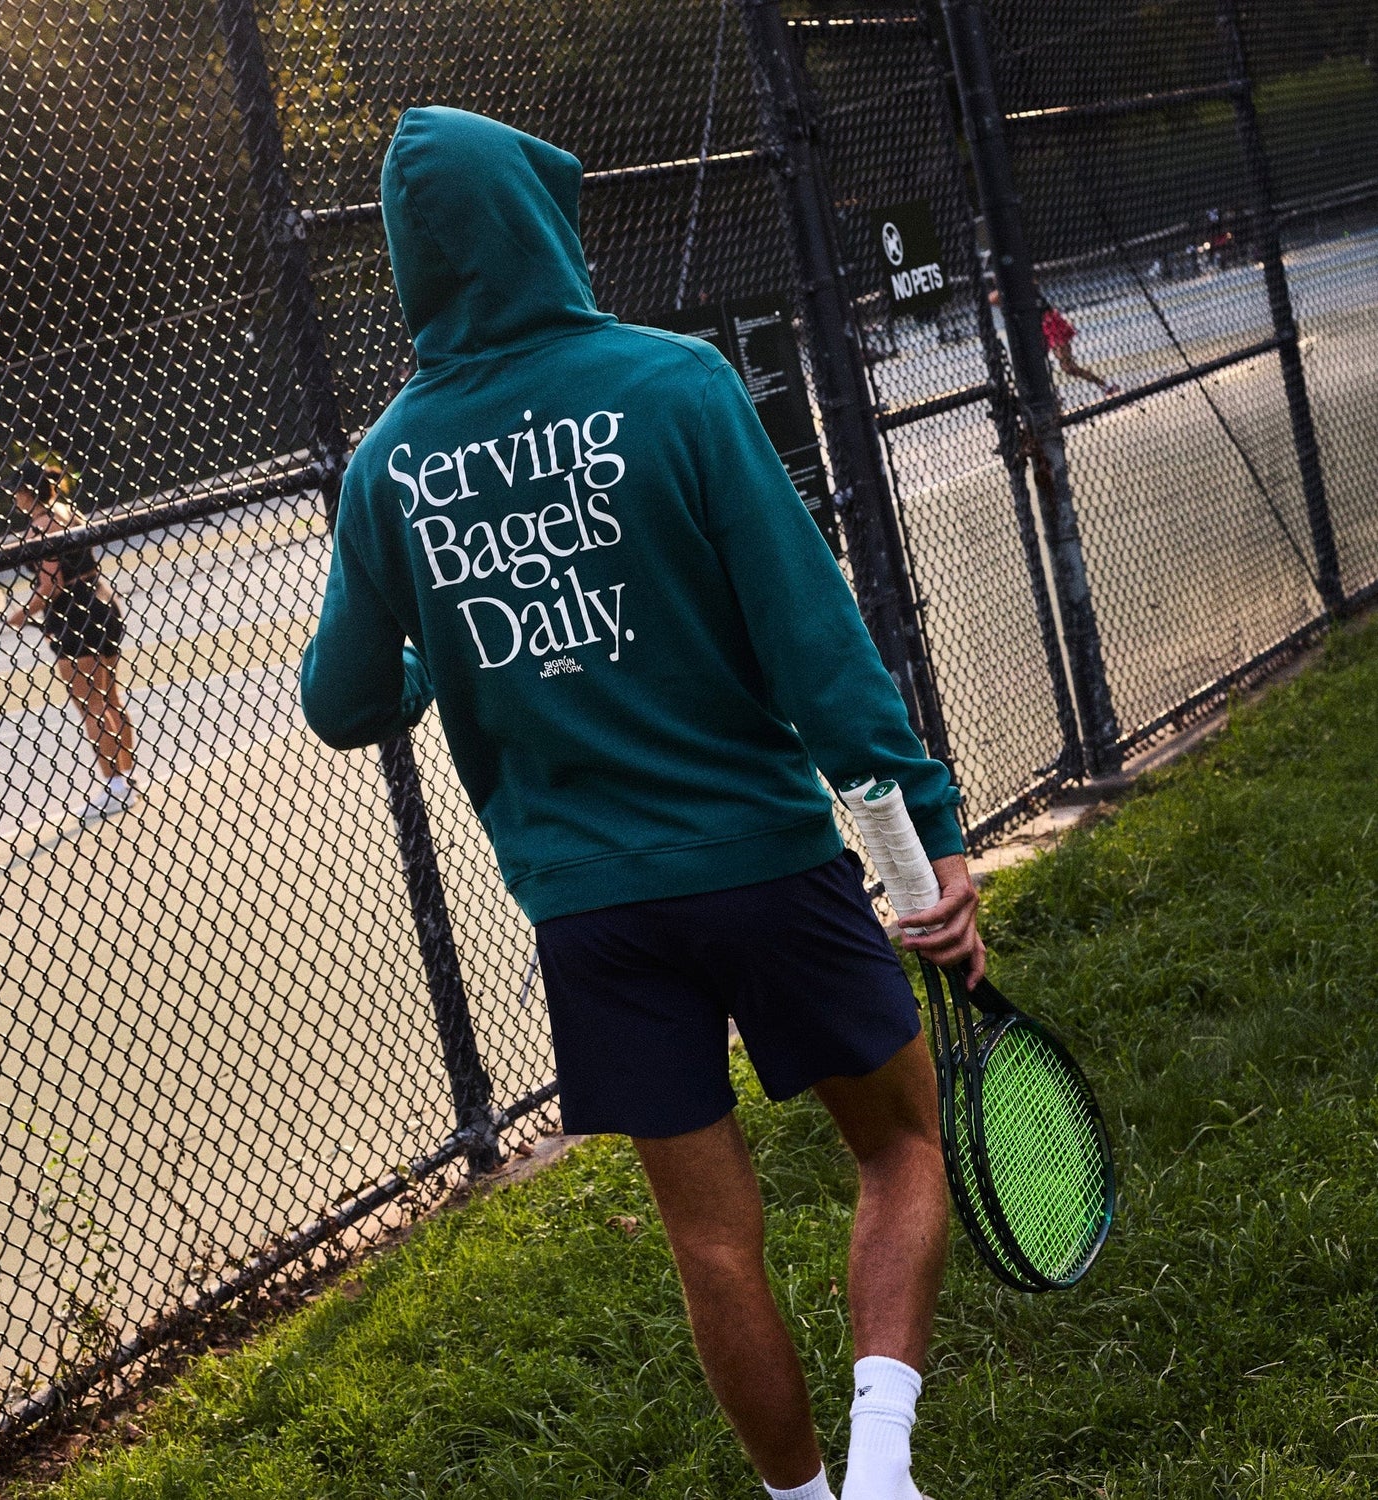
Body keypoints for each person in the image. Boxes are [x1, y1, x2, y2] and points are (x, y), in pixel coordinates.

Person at [302, 107, 983, 1500]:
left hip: (591, 913)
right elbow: (816, 647)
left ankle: (802, 1499)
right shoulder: (675, 387)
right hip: (765, 864)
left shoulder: (388, 464)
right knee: (905, 1142)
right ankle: (881, 1473)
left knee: (711, 1242)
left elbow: (343, 700)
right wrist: (929, 848)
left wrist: (445, 637)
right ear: (539, 225)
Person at [6, 460, 138, 821]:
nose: (14, 497)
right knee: (110, 697)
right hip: (103, 602)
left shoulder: (39, 527)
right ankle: (126, 779)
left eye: (16, 490)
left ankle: (114, 786)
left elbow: (51, 586)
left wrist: (20, 615)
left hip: (76, 617)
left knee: (90, 705)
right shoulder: (68, 510)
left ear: (27, 492)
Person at [990, 287, 1120, 397]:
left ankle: (1106, 385)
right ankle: (1052, 399)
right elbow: (993, 299)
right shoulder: (1006, 294)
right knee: (1033, 368)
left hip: (1049, 322)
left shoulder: (1022, 283)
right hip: (1034, 329)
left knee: (1068, 367)